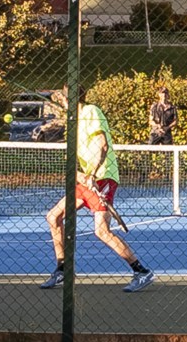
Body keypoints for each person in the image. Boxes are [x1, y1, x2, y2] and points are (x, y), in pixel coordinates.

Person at [43, 99, 155, 291]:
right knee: (54, 217)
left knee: (101, 231)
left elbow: (102, 145)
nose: (61, 103)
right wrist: (81, 175)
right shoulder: (75, 122)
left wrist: (93, 174)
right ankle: (63, 268)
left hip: (103, 178)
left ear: (69, 98)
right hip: (87, 180)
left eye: (62, 99)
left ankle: (141, 271)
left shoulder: (90, 111)